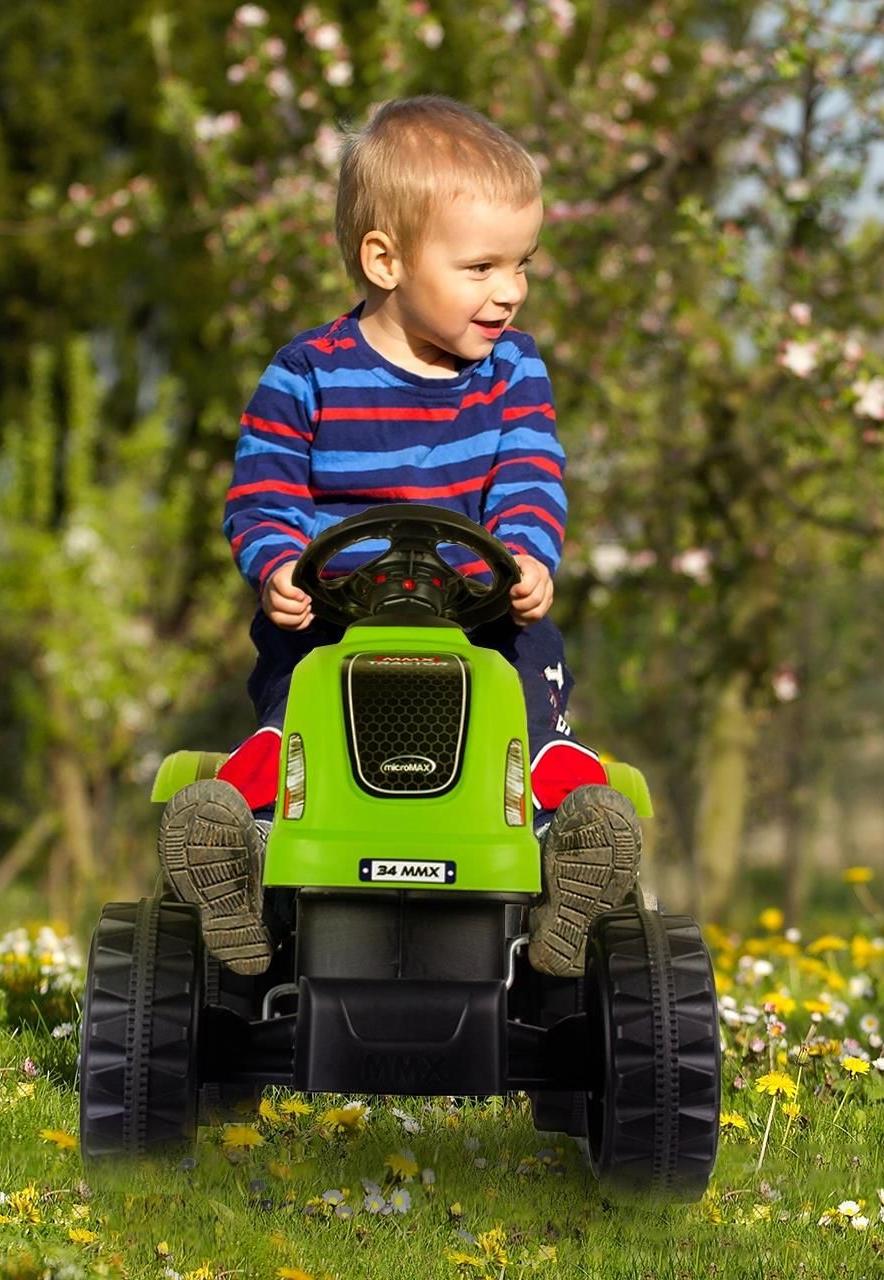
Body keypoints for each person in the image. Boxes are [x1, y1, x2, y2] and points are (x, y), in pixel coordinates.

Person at [158, 95, 641, 979]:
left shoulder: (513, 370)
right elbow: (262, 492)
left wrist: (528, 553)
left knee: (537, 730)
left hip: (482, 616)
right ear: (386, 258)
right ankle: (238, 843)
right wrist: (275, 568)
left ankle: (573, 843)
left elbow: (532, 473)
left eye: (522, 264)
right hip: (336, 619)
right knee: (288, 732)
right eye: (482, 266)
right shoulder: (306, 373)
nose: (511, 290)